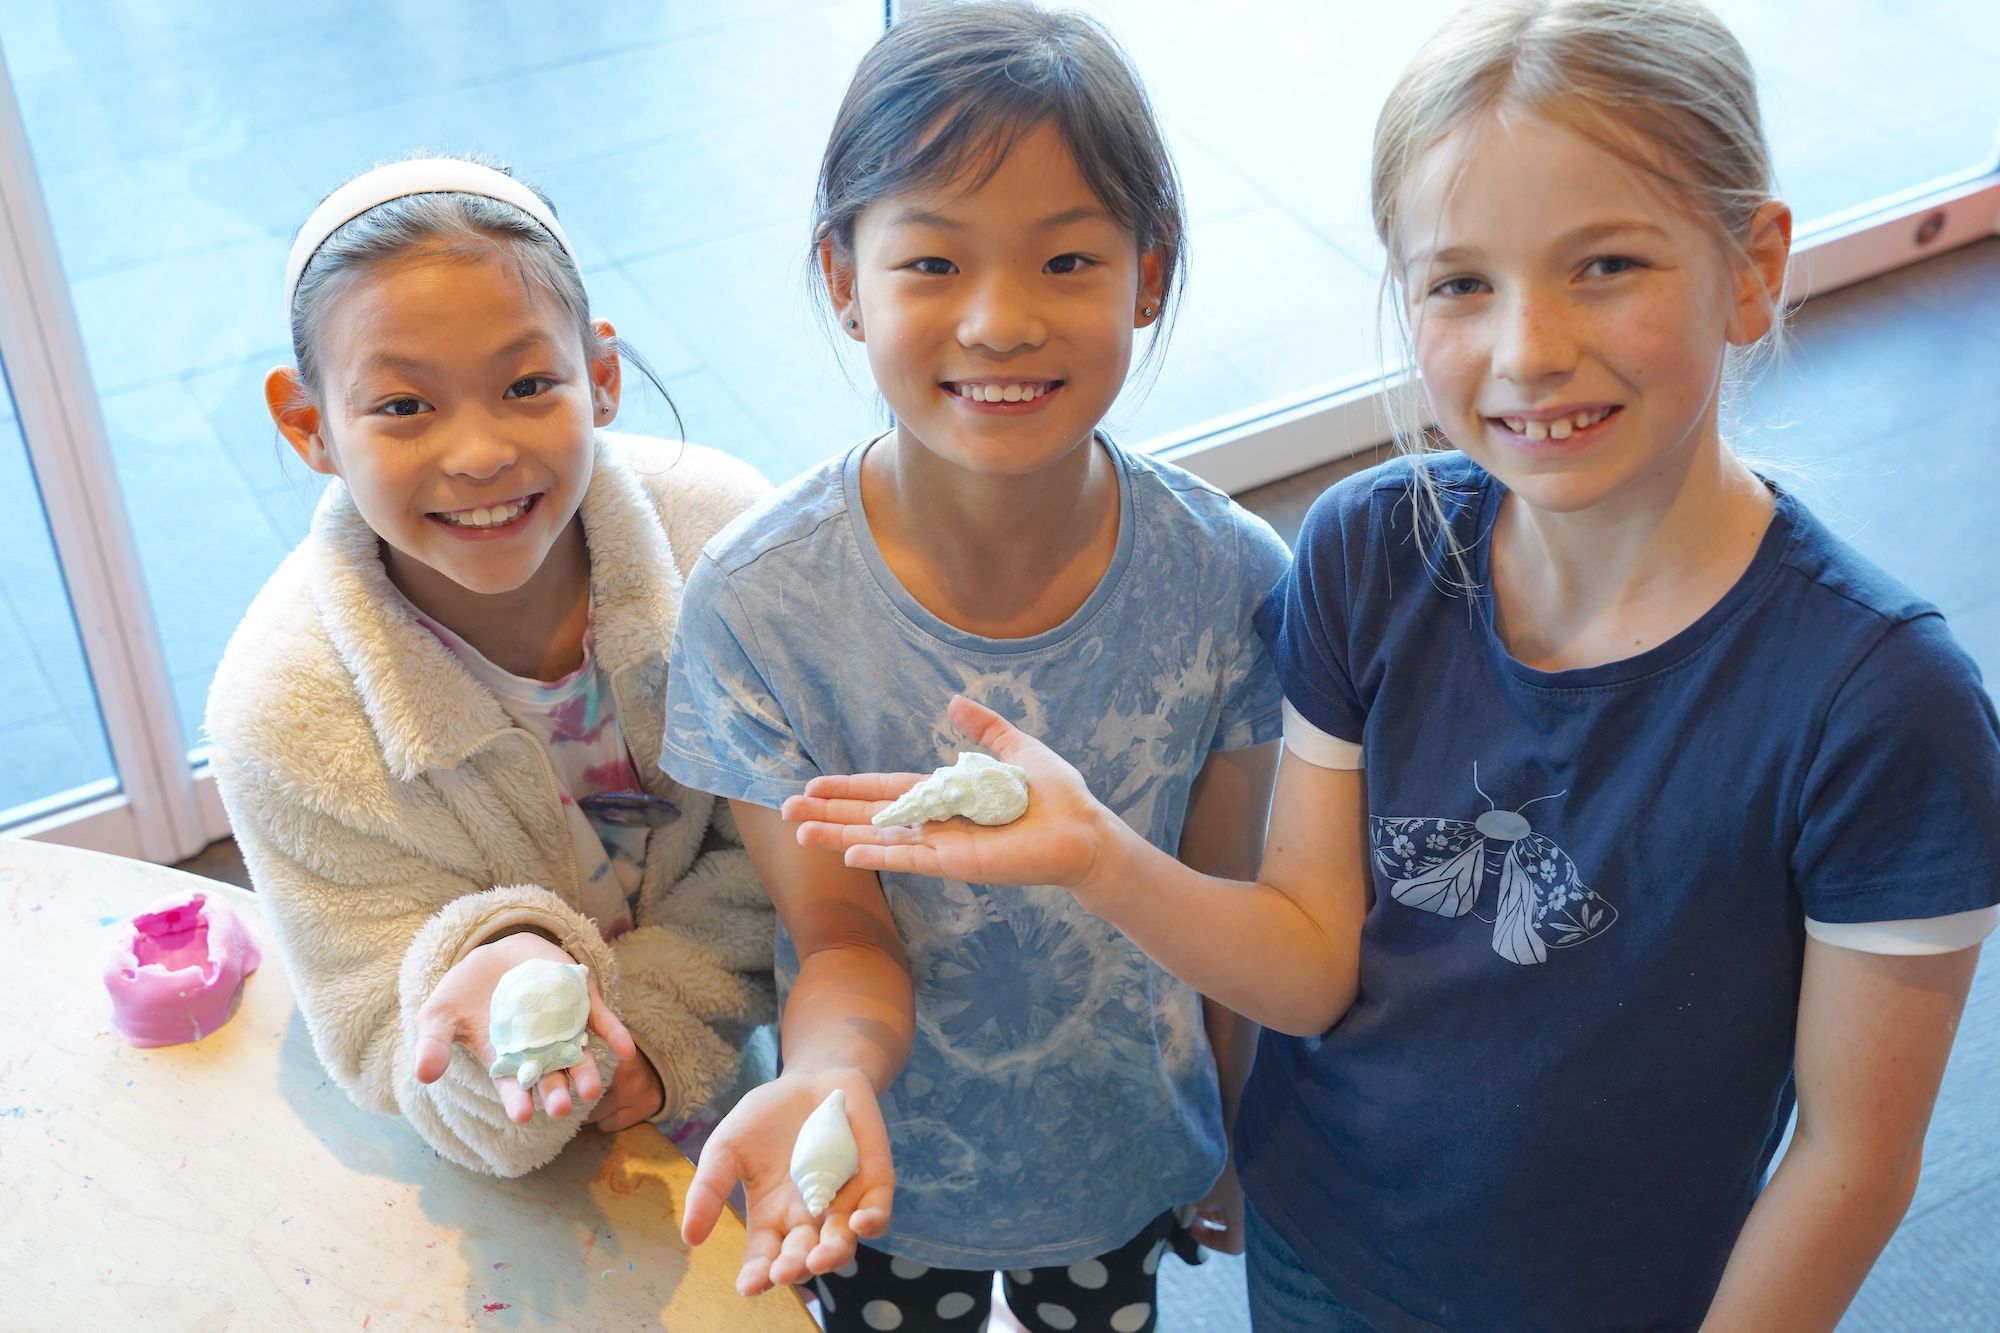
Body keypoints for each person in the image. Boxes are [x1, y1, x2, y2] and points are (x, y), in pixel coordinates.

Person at [787, 2, 2000, 1328]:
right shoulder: (1370, 551)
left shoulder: (1885, 707)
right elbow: (1310, 962)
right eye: (1461, 283)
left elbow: (1854, 1160)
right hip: (1322, 1250)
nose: (1528, 348)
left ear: (1754, 265)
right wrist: (1097, 857)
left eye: (1606, 264)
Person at [660, 5, 1290, 1329]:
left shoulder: (1230, 579)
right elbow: (836, 932)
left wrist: (1238, 1128)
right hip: (885, 1176)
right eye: (934, 263)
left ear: (1149, 276)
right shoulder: (761, 607)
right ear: (843, 276)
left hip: (1123, 1162)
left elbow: (1232, 898)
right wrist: (828, 1088)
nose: (1000, 323)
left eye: (1067, 260)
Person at [206, 156, 776, 1178]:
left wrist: (656, 1024)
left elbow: (788, 855)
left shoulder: (725, 547)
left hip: (764, 1062)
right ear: (307, 423)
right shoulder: (282, 714)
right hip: (531, 1185)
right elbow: (381, 1027)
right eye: (402, 407)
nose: (476, 453)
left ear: (599, 377)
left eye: (525, 385)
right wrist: (490, 984)